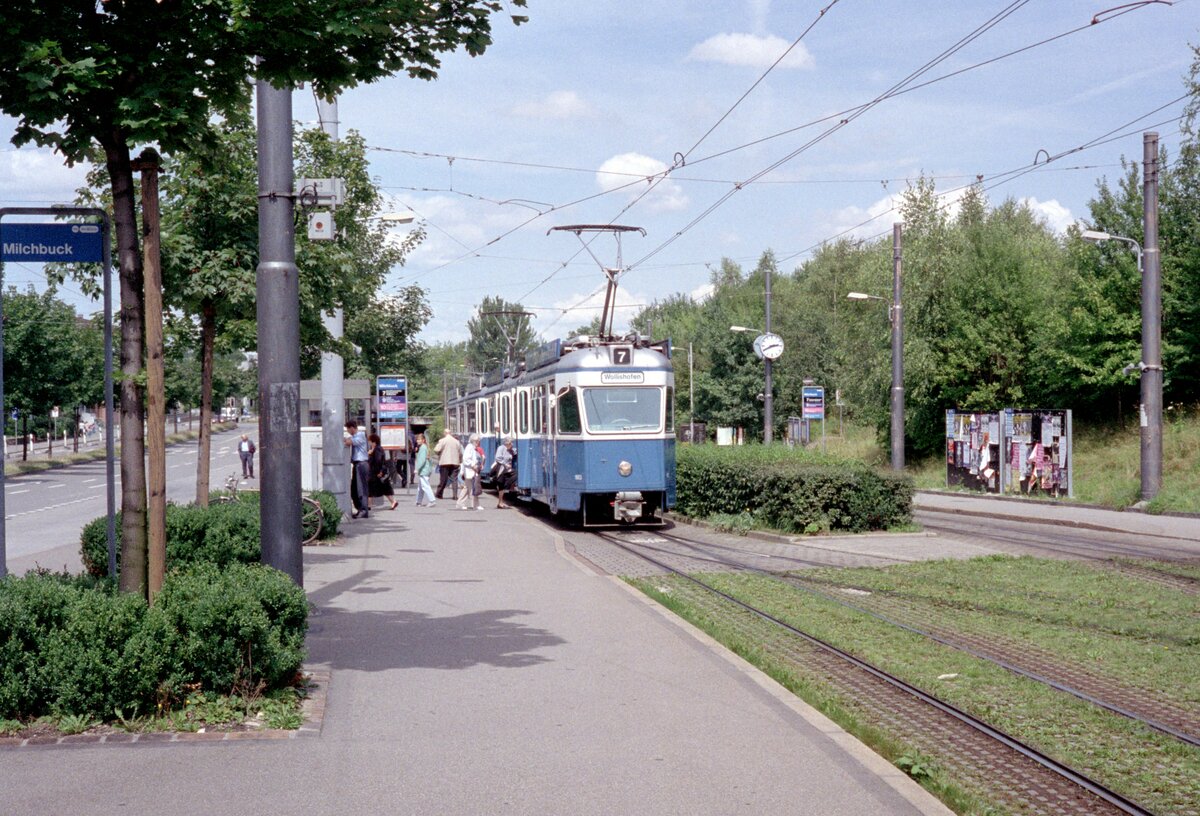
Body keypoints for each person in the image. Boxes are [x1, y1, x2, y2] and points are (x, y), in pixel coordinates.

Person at [344, 420, 370, 519]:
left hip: (362, 464)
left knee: (361, 488)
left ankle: (363, 510)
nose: (348, 431)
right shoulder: (355, 436)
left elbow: (348, 442)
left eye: (348, 429)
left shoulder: (360, 435)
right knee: (354, 489)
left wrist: (345, 440)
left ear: (352, 428)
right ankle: (359, 508)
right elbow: (347, 439)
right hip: (357, 464)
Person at [367, 432, 398, 511]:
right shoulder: (376, 449)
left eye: (370, 441)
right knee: (383, 488)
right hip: (377, 472)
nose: (369, 442)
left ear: (373, 441)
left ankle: (369, 505)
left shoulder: (377, 449)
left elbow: (378, 461)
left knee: (371, 487)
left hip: (376, 473)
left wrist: (379, 472)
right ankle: (393, 501)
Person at [433, 428, 463, 500]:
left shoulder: (442, 441)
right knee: (454, 479)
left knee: (443, 479)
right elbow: (460, 453)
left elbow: (436, 449)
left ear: (444, 433)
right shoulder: (456, 442)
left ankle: (439, 494)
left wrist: (439, 454)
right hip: (455, 463)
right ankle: (455, 495)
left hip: (444, 463)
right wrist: (460, 461)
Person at [456, 433, 483, 511]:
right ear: (475, 441)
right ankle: (473, 504)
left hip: (470, 471)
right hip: (470, 471)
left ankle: (464, 503)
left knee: (469, 488)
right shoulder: (470, 447)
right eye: (478, 441)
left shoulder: (471, 447)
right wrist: (473, 465)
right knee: (471, 488)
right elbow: (466, 459)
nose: (479, 442)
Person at [491, 436, 516, 509]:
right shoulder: (501, 448)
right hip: (501, 468)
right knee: (501, 484)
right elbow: (498, 458)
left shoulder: (510, 449)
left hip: (507, 469)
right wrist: (505, 464)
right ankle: (500, 503)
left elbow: (514, 453)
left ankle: (501, 502)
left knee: (502, 485)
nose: (512, 445)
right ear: (507, 443)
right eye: (511, 443)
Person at [414, 433, 435, 507]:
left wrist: (417, 468)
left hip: (424, 470)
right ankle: (418, 501)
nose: (417, 441)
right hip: (426, 469)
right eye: (417, 439)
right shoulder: (425, 447)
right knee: (420, 487)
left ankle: (432, 500)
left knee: (425, 486)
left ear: (423, 440)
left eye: (419, 439)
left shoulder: (423, 448)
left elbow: (422, 460)